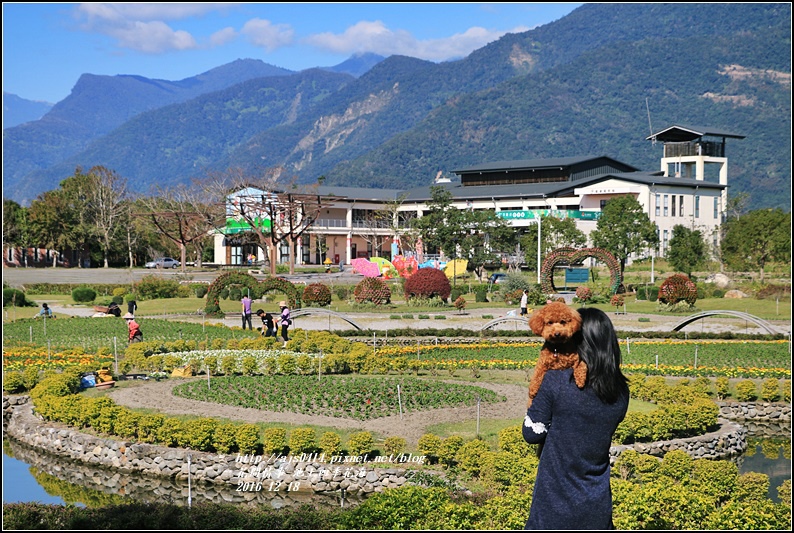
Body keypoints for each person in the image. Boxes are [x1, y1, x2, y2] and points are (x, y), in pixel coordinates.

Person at [522, 307, 629, 530]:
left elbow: (532, 433)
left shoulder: (556, 381)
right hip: (596, 501)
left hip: (555, 501)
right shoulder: (620, 391)